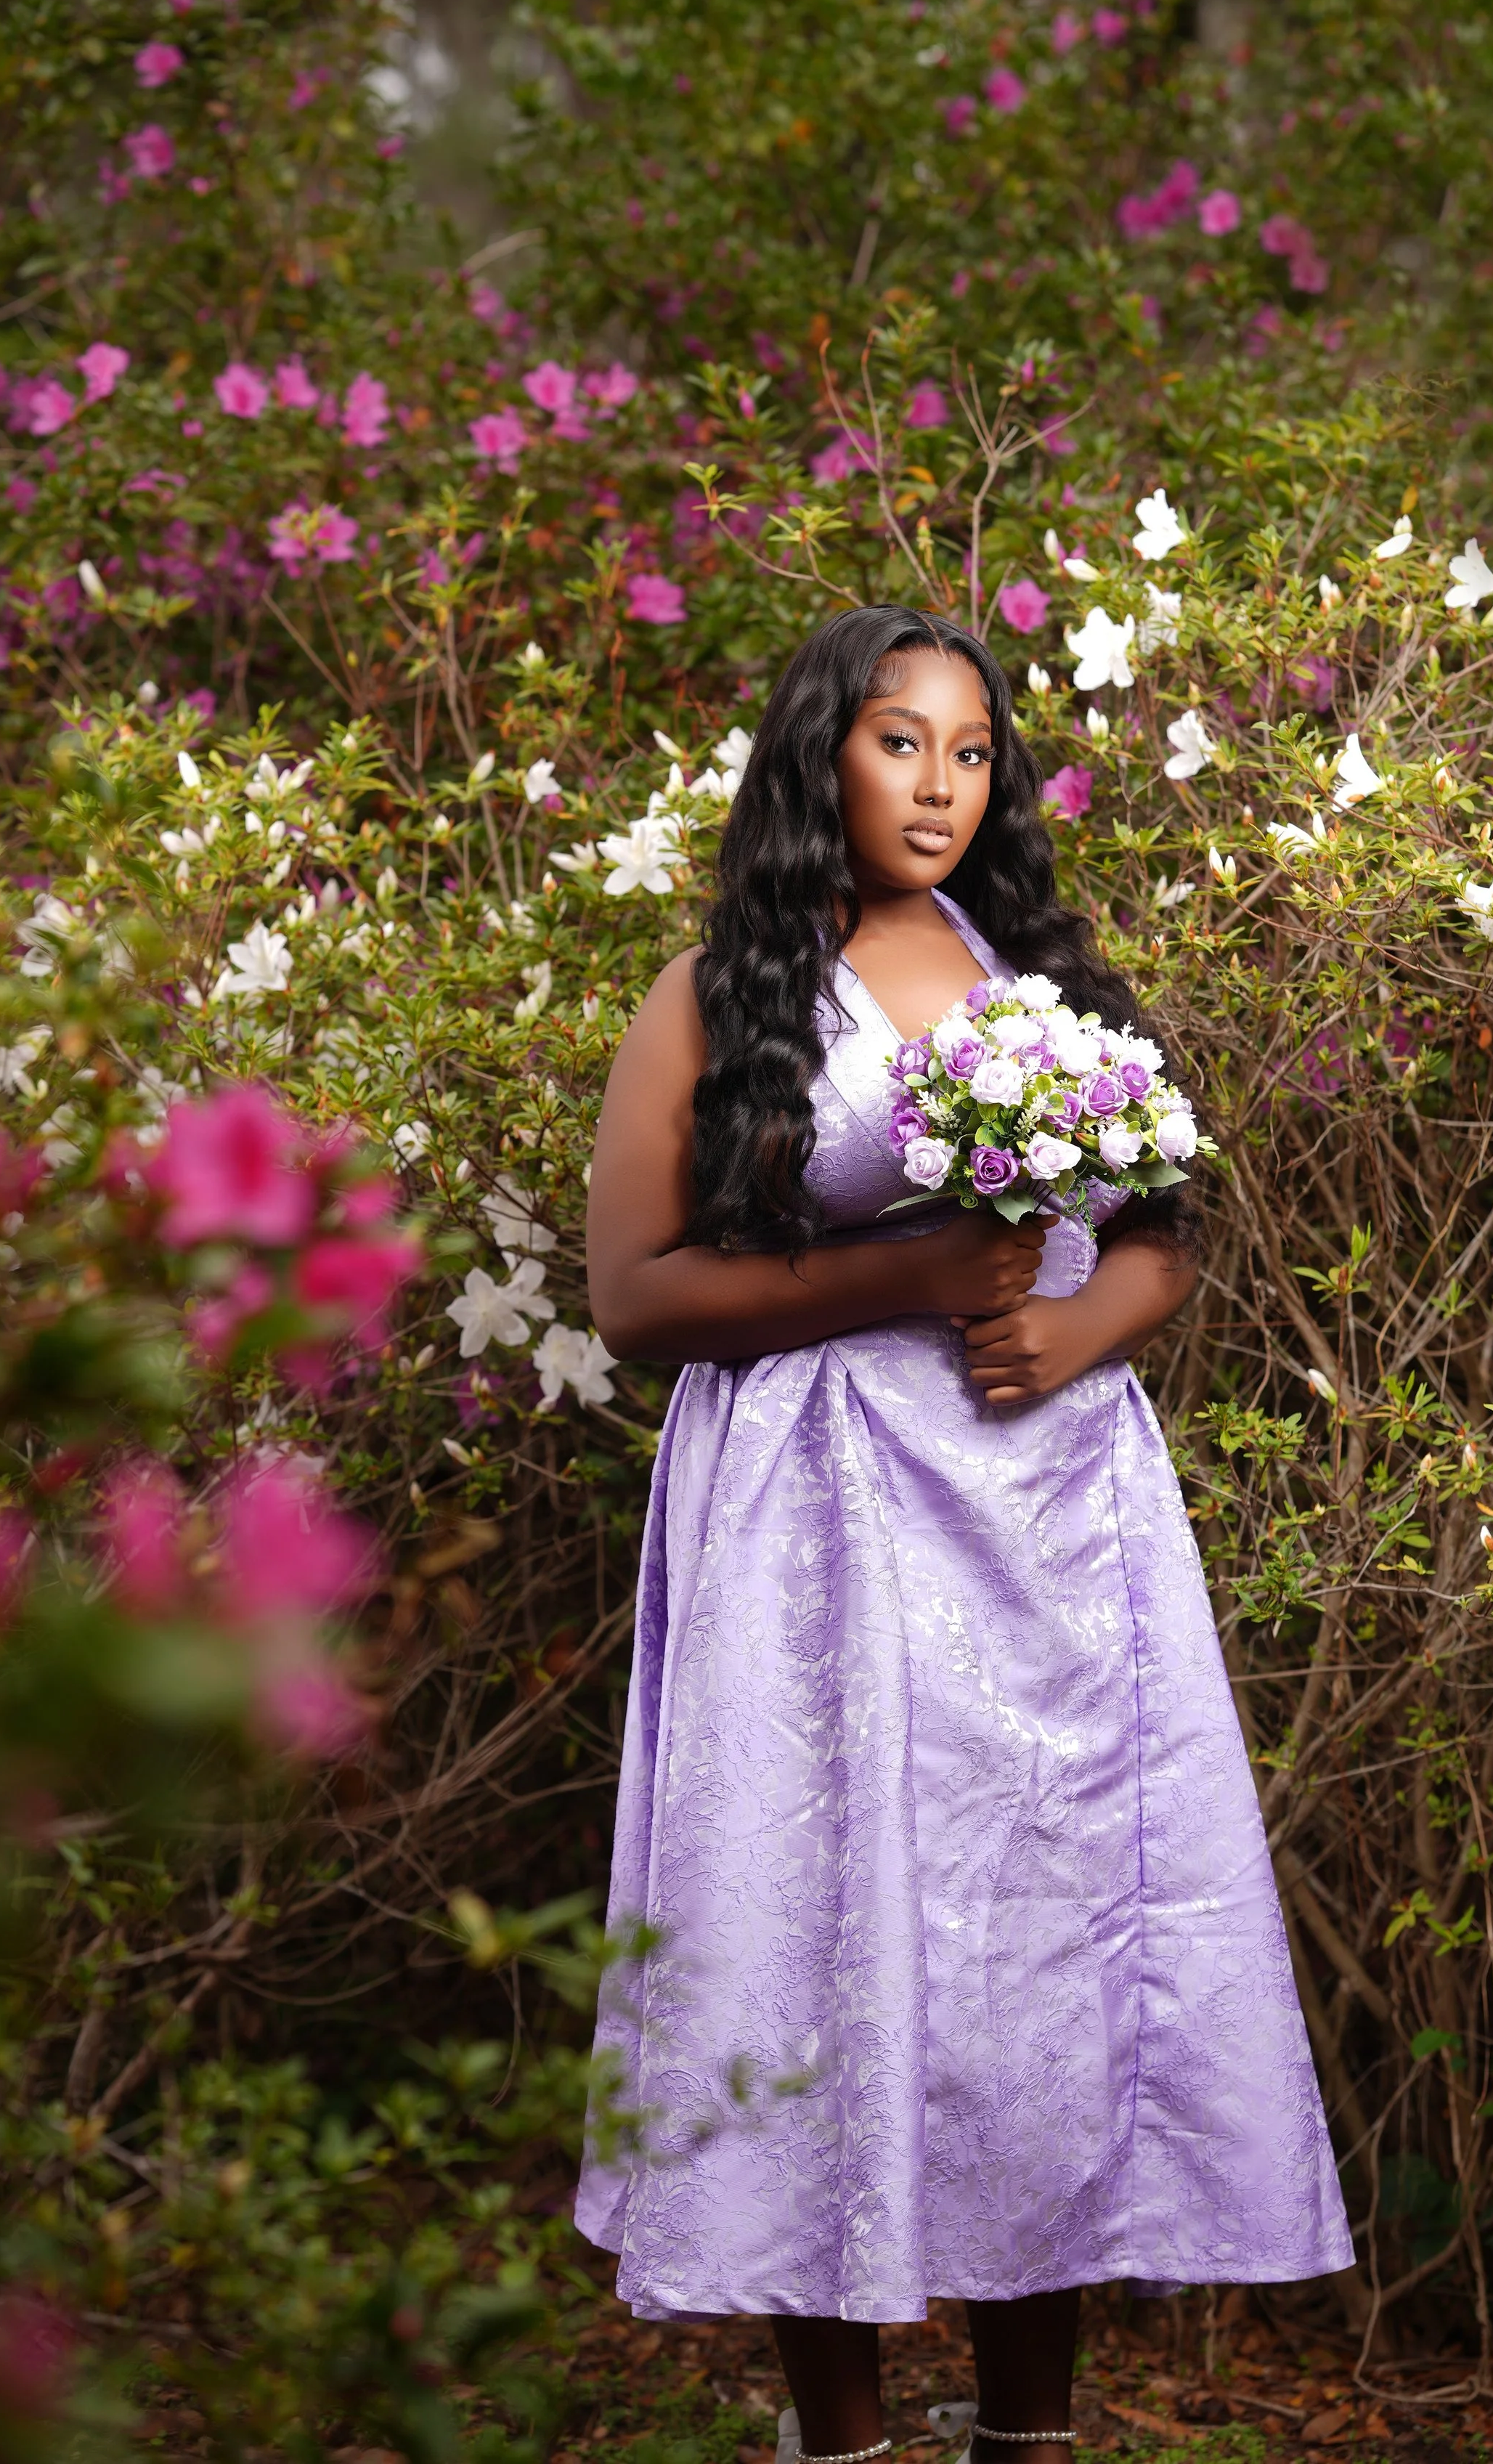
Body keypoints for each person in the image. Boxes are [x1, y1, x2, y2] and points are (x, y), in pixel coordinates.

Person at [577, 606, 1351, 2464]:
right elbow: (631, 1295)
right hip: (814, 1531)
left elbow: (1157, 1226)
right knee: (808, 1933)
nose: (936, 784)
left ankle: (1030, 2432)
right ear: (817, 756)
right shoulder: (716, 994)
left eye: (970, 751)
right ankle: (834, 2433)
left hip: (1049, 1529)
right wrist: (902, 1272)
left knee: (1039, 1948)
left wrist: (1087, 1319)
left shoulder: (1043, 977)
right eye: (896, 741)